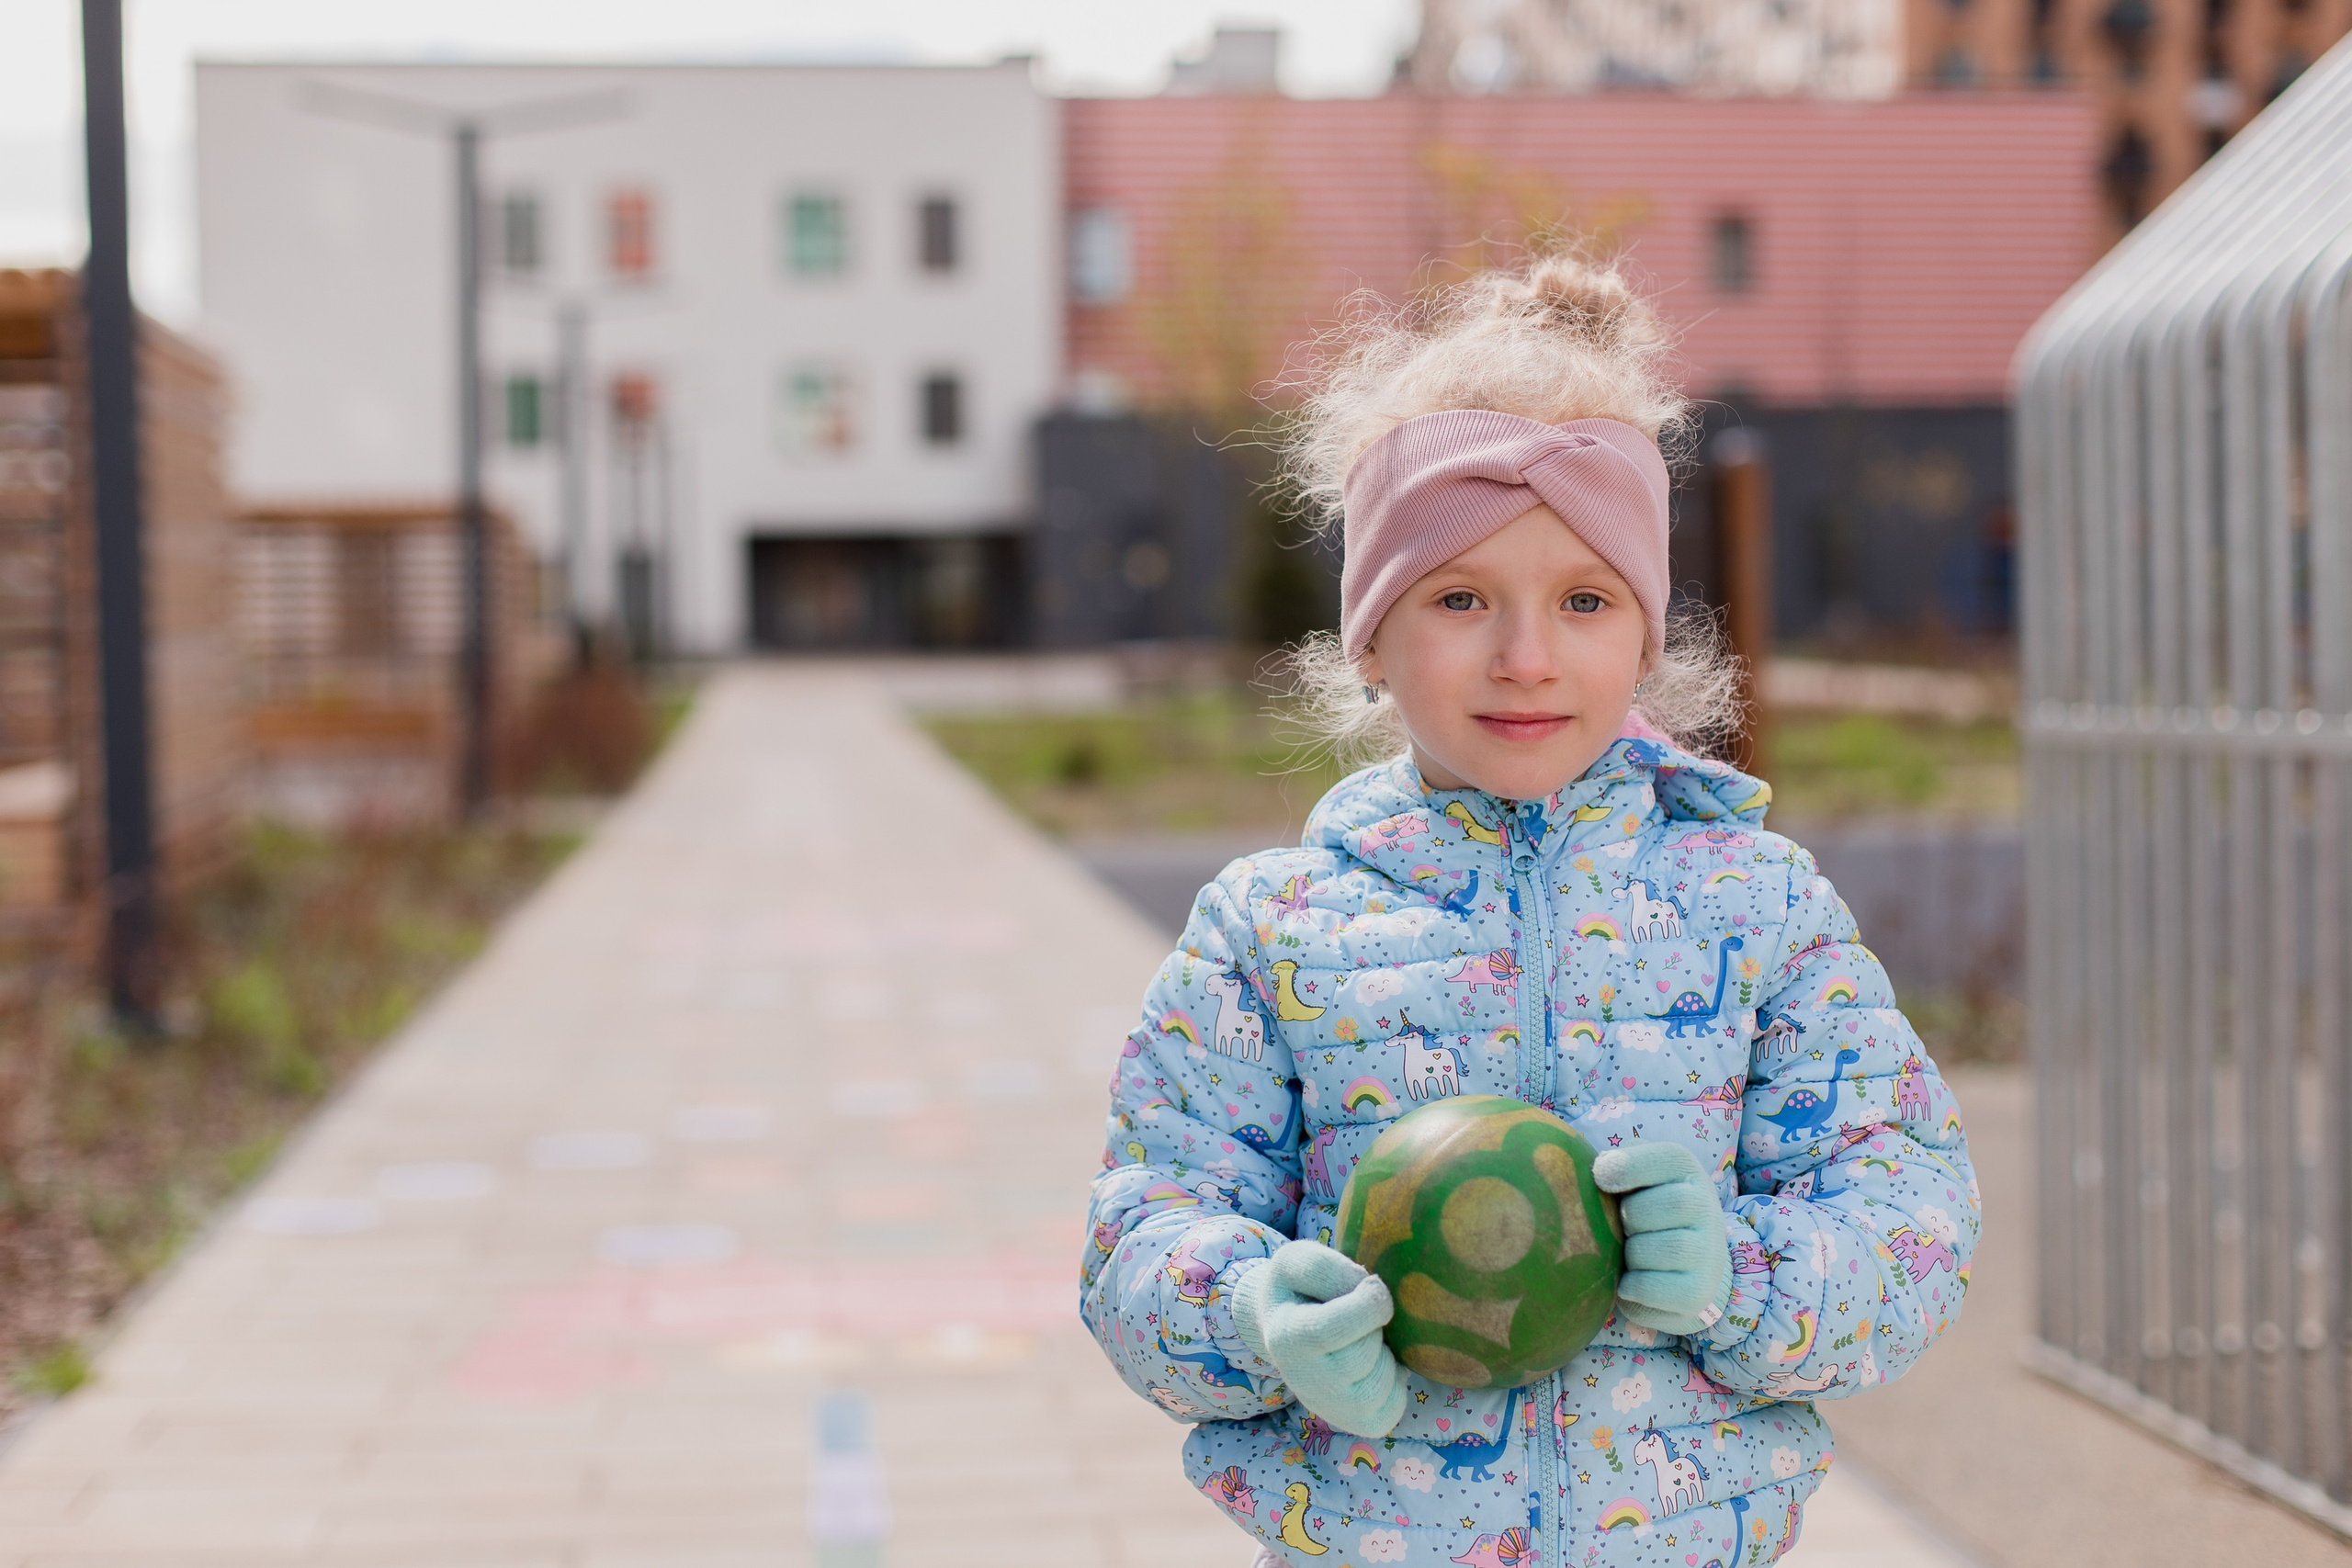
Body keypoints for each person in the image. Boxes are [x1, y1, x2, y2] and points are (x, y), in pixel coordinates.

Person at [1077, 248, 1978, 1568]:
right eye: (1459, 598)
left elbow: (1912, 1218)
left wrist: (1744, 1272)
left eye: (1584, 600)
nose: (1526, 656)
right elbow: (1141, 1231)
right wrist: (1253, 1316)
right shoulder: (1272, 933)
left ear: (1644, 637)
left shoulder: (1758, 907)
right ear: (1370, 638)